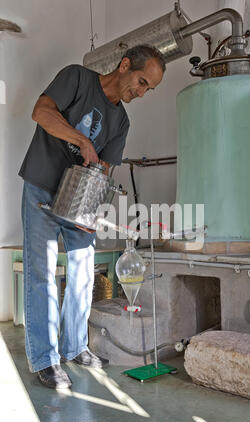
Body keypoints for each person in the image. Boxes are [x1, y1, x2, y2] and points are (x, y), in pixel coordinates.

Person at [18, 45, 166, 389]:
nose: (141, 93)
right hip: (42, 184)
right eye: (141, 81)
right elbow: (41, 112)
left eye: (149, 89)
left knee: (84, 272)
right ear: (125, 64)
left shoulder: (122, 121)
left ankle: (75, 347)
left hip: (79, 198)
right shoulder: (77, 78)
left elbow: (105, 169)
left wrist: (95, 211)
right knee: (42, 272)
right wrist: (81, 141)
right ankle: (45, 359)